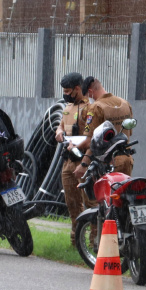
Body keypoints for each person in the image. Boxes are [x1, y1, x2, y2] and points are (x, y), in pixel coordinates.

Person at [75, 76, 135, 178]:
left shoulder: (96, 108)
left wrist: (82, 161)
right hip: (127, 160)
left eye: (88, 96)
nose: (90, 99)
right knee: (123, 192)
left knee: (104, 193)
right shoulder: (125, 103)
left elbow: (90, 141)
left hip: (108, 163)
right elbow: (130, 132)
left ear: (90, 91)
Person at [54, 72, 89, 244]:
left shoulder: (90, 108)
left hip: (83, 160)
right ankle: (76, 240)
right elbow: (60, 127)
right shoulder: (67, 108)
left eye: (68, 90)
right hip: (67, 160)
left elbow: (92, 137)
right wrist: (59, 133)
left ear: (78, 88)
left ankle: (94, 242)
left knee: (90, 202)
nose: (65, 94)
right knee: (72, 203)